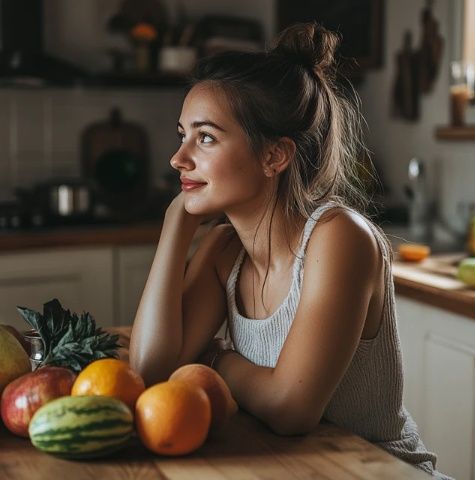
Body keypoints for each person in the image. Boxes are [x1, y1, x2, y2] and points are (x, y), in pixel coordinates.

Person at [130, 22, 451, 479]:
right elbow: (151, 369)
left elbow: (290, 407)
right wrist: (174, 225)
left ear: (274, 157)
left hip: (383, 471)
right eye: (182, 135)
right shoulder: (225, 252)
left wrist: (216, 357)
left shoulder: (339, 238)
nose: (178, 159)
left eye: (205, 137)